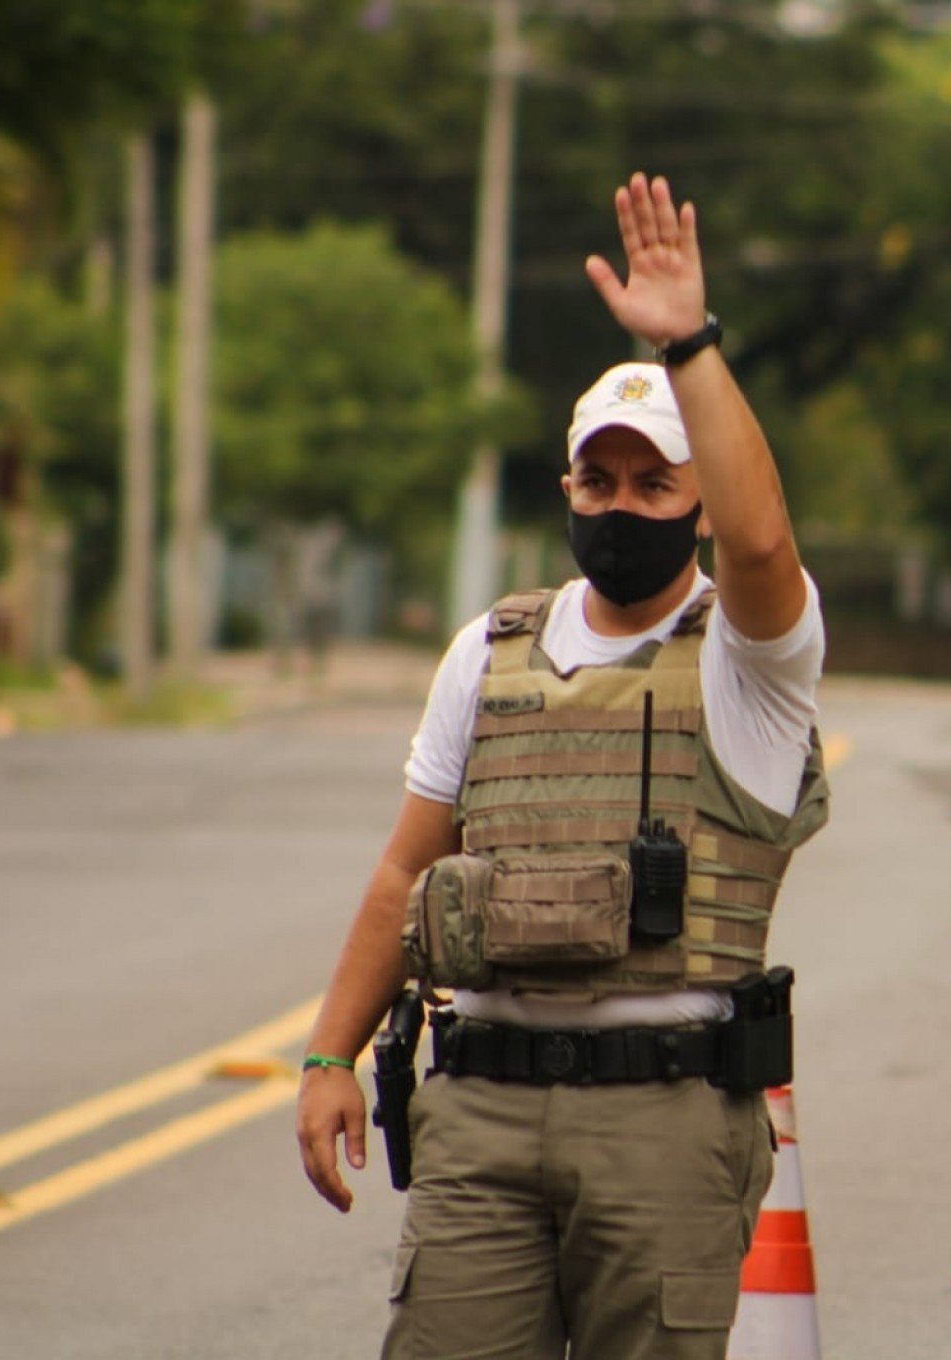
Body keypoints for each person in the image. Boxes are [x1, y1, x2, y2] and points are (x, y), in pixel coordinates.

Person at [294, 172, 830, 1360]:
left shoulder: (751, 657)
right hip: (478, 1109)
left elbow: (761, 539)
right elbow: (404, 873)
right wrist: (331, 1052)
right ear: (566, 485)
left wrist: (688, 341)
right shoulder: (489, 652)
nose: (621, 502)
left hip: (666, 1117)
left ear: (696, 502)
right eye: (600, 477)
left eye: (656, 482)